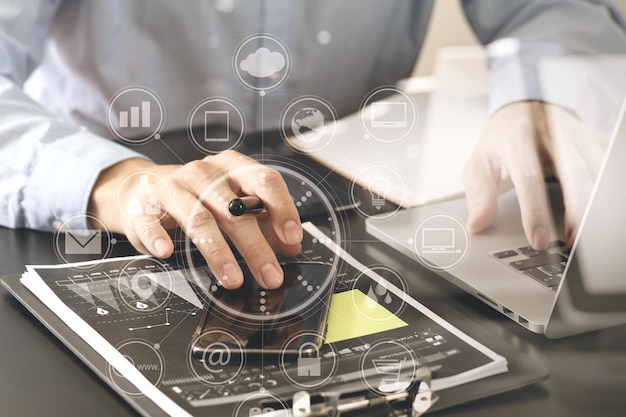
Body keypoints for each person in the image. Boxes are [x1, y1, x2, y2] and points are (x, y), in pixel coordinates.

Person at [1, 0, 625, 289]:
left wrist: (541, 94)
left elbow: (552, 8)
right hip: (92, 211)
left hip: (370, 204)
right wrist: (115, 182)